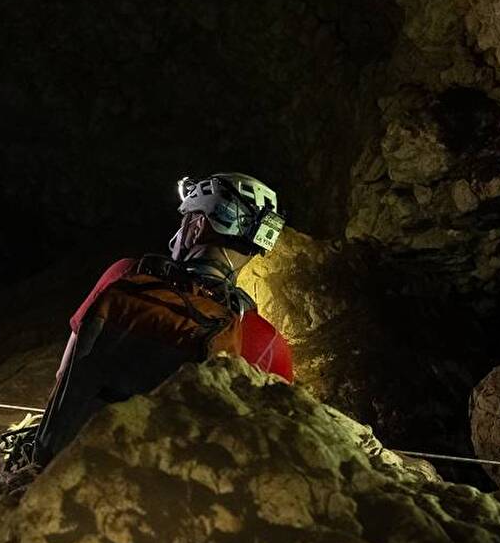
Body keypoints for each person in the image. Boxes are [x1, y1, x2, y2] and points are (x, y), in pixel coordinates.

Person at [17, 172, 293, 470]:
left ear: (197, 226)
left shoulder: (125, 275)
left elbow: (65, 373)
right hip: (161, 493)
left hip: (65, 467)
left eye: (186, 218)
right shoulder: (268, 343)